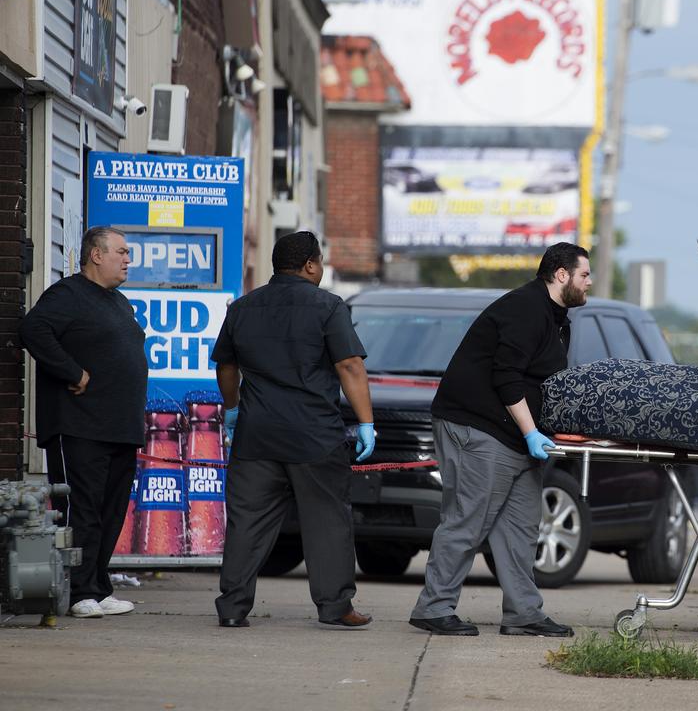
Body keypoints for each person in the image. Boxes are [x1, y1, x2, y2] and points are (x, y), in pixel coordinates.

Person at [409, 242, 592, 637]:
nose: (589, 283)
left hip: (515, 435)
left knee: (523, 526)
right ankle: (434, 607)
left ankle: (523, 612)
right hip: (478, 427)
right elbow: (506, 376)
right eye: (584, 275)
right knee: (468, 520)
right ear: (561, 275)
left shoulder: (557, 318)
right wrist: (530, 432)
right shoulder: (525, 309)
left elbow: (543, 379)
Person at [212, 231, 376, 629]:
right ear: (309, 265)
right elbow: (349, 366)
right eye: (319, 262)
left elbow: (226, 367)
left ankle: (233, 608)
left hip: (256, 435)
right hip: (314, 436)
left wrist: (232, 408)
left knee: (247, 522)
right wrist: (367, 422)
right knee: (327, 521)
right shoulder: (328, 307)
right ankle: (336, 607)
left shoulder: (243, 308)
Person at [19, 226, 147, 618]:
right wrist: (72, 372)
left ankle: (97, 585)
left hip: (119, 427)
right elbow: (32, 330)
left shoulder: (118, 302)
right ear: (96, 254)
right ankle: (77, 592)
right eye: (122, 252)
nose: (128, 260)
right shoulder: (68, 294)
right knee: (82, 508)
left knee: (110, 511)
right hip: (79, 426)